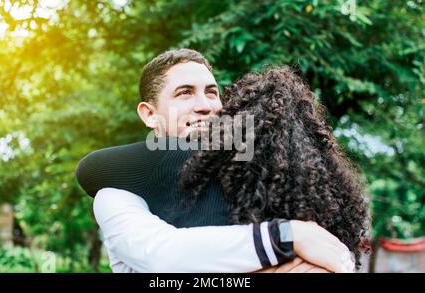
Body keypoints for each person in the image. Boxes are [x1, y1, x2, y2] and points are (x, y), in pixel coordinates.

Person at [76, 49, 358, 273]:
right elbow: (161, 257)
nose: (206, 105)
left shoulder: (248, 175)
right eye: (184, 93)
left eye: (211, 92)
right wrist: (288, 237)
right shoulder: (116, 193)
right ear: (150, 114)